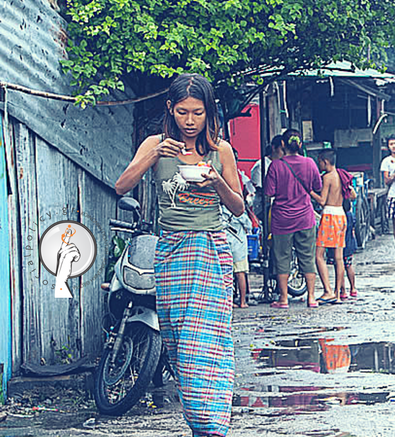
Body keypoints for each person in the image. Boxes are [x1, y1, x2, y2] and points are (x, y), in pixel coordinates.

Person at [114, 73, 243, 437]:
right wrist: (155, 154)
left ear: (208, 113)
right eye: (183, 112)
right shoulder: (154, 144)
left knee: (209, 340)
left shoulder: (221, 150)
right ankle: (199, 422)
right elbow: (122, 185)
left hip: (210, 251)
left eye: (198, 113)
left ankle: (212, 425)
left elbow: (237, 207)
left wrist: (216, 181)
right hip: (171, 252)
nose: (190, 121)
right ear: (170, 109)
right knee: (180, 342)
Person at [264, 129, 321, 309]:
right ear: (300, 145)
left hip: (282, 219)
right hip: (305, 217)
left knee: (282, 258)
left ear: (282, 144)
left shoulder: (275, 166)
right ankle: (311, 297)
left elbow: (268, 192)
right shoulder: (309, 163)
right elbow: (317, 186)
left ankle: (283, 299)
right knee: (307, 256)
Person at [309, 149, 346, 304]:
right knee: (339, 257)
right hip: (341, 214)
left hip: (329, 215)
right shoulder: (341, 174)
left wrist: (309, 191)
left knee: (319, 255)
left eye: (319, 162)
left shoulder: (327, 177)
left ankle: (327, 291)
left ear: (324, 161)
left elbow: (322, 200)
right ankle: (337, 294)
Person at [326, 206, 358, 300]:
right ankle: (353, 288)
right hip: (348, 245)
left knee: (338, 266)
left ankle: (342, 290)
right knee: (348, 265)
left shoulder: (335, 215)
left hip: (338, 245)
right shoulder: (350, 215)